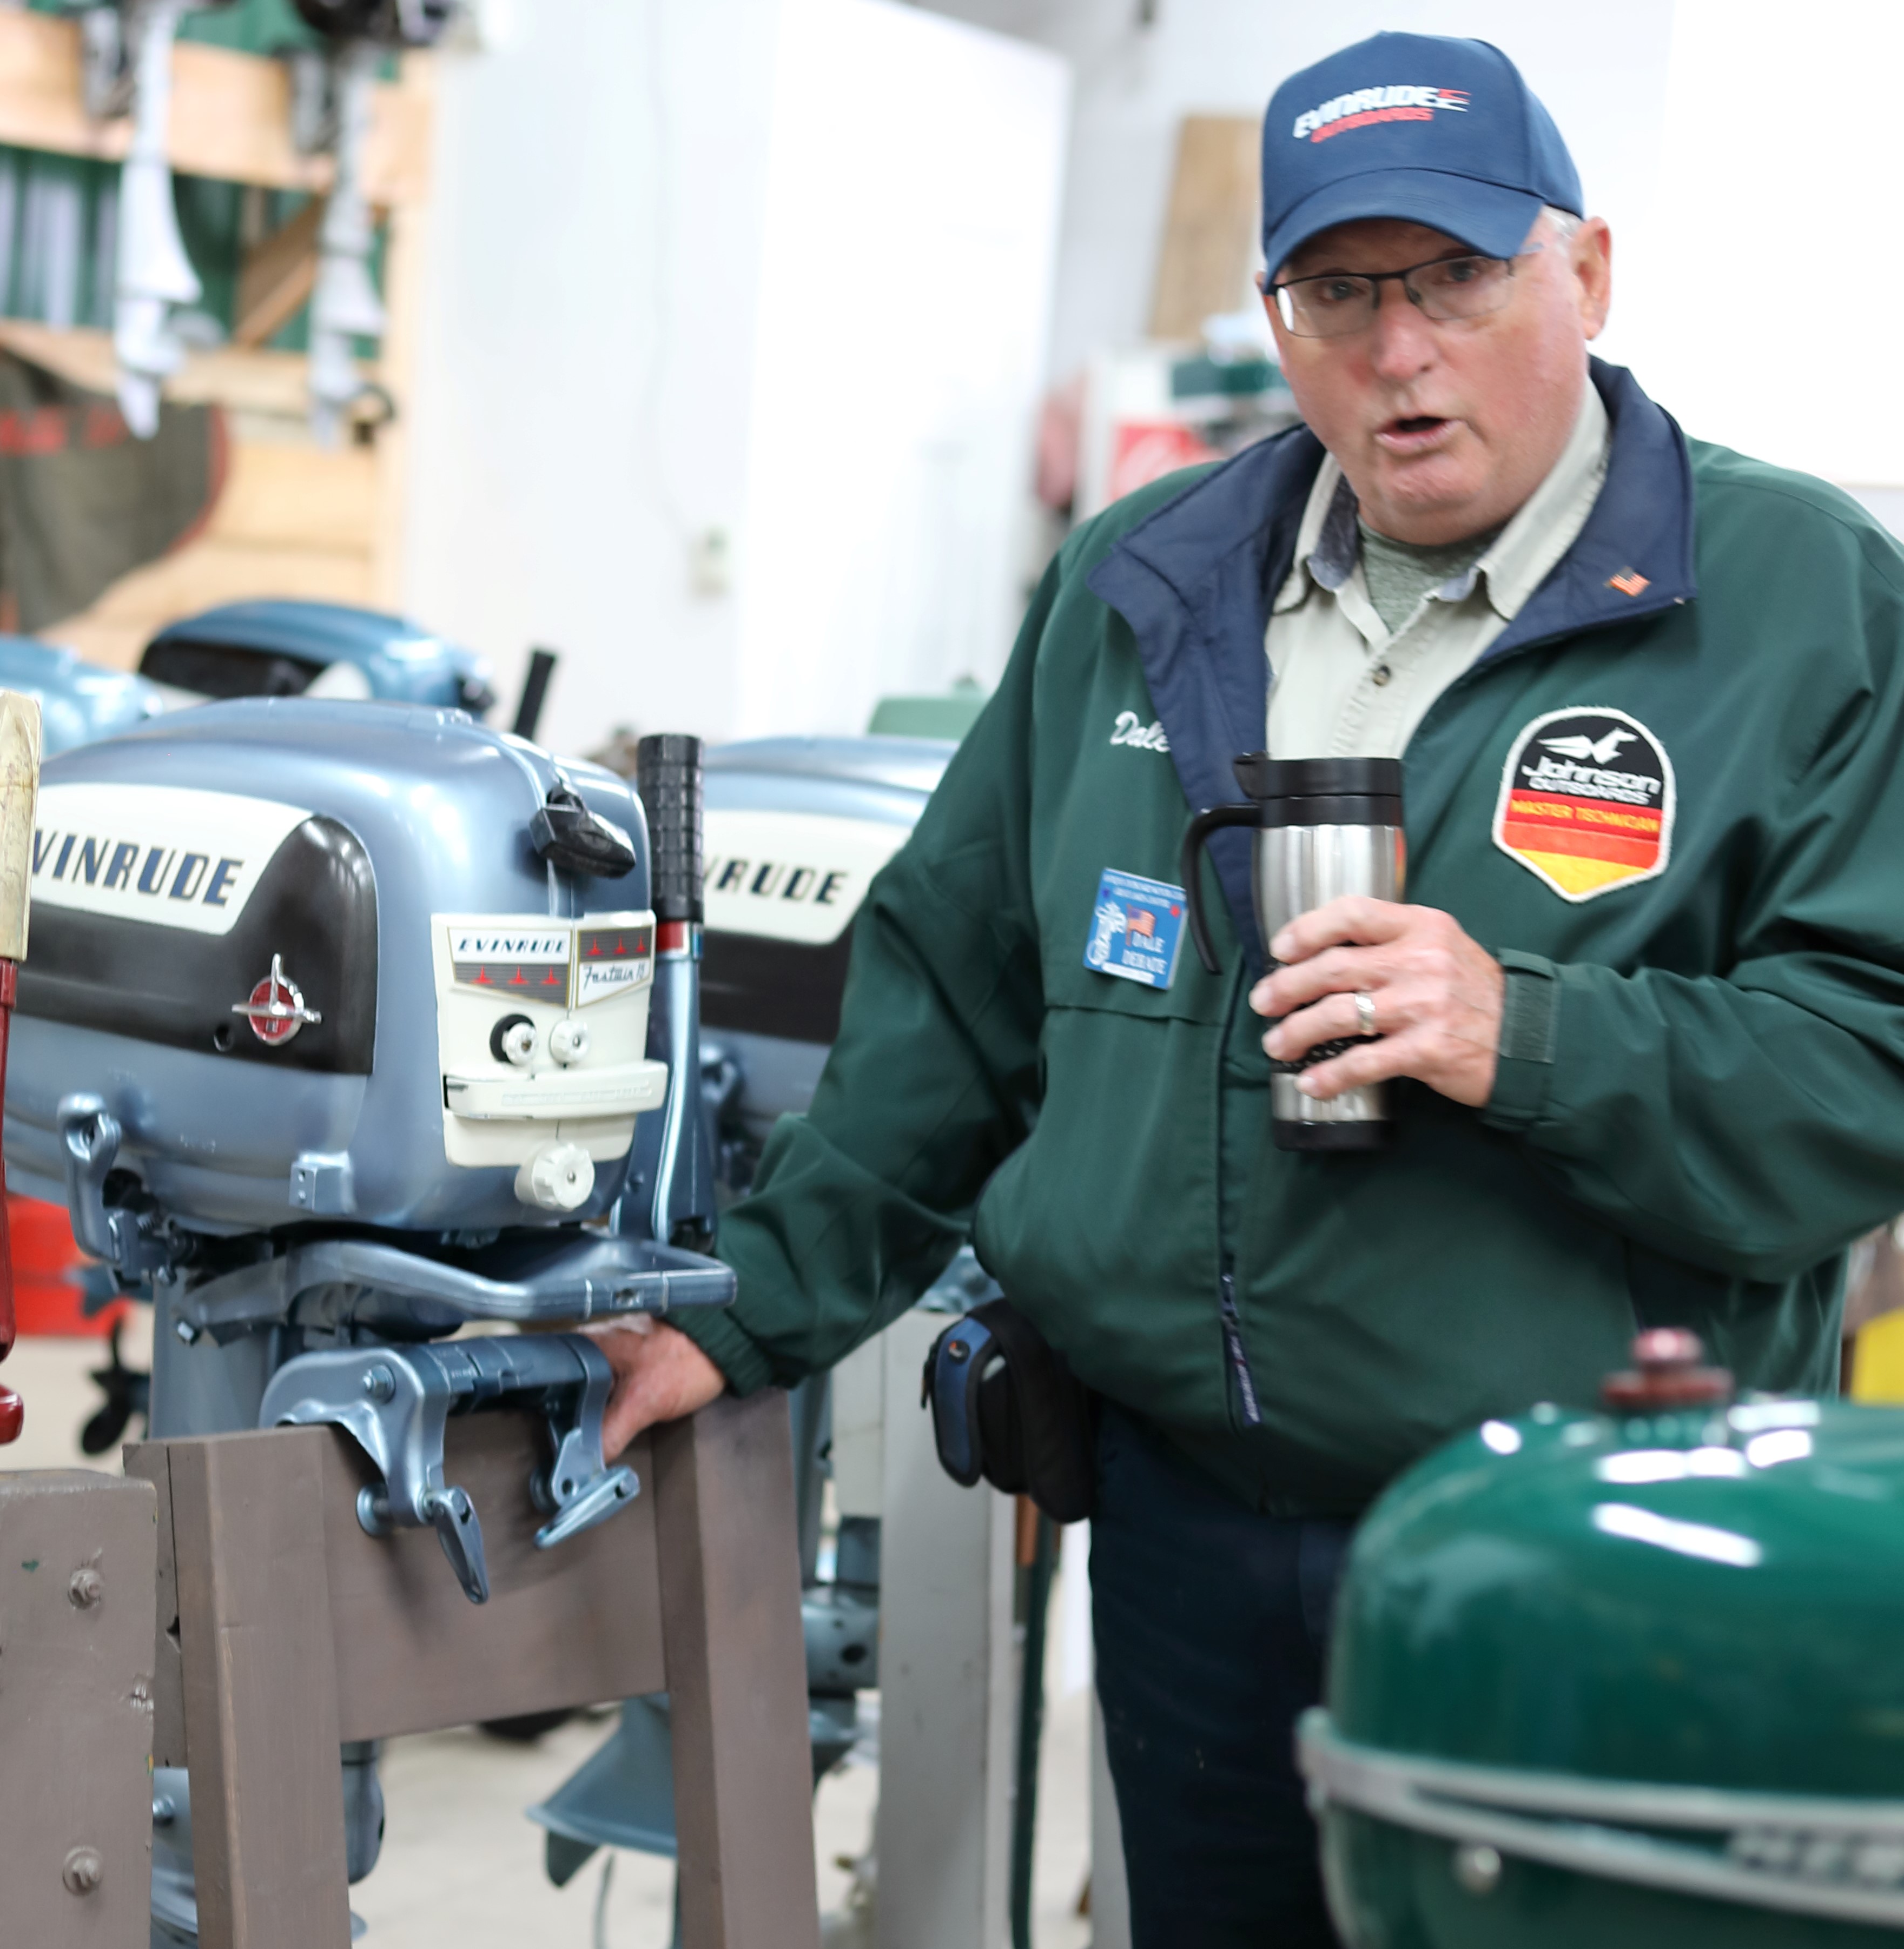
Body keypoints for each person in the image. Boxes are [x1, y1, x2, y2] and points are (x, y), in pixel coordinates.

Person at [598, 30, 1904, 1945]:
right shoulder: (1148, 576)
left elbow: (1867, 1068)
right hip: (1190, 1529)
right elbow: (956, 992)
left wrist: (1522, 1032)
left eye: (1458, 276)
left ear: (1586, 270)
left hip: (1578, 1554)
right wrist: (752, 1307)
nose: (1398, 350)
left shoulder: (1802, 601)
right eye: (1337, 293)